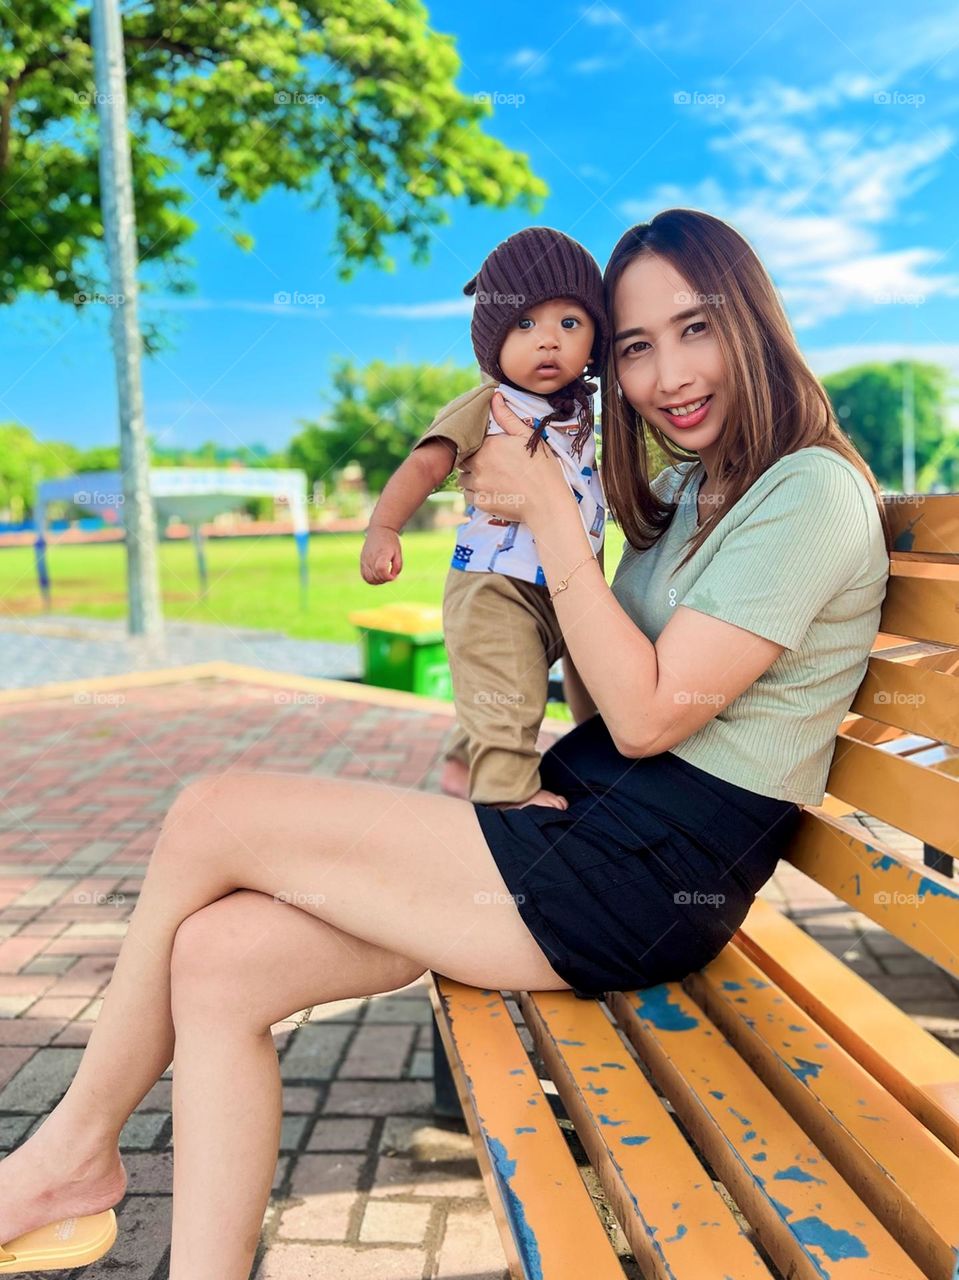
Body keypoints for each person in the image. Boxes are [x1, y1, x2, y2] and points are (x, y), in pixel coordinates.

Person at [0, 208, 891, 1278]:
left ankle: (69, 1149)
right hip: (578, 822)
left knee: (212, 810)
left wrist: (551, 516)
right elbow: (607, 700)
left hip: (649, 877)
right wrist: (495, 734)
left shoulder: (810, 489)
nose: (666, 376)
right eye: (637, 348)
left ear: (752, 320)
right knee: (217, 957)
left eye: (694, 329)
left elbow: (652, 712)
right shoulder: (704, 488)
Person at [360, 226, 609, 811]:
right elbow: (424, 465)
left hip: (563, 588)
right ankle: (505, 798)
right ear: (491, 340)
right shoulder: (490, 405)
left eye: (569, 324)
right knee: (509, 692)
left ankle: (465, 760)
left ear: (597, 337)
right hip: (496, 587)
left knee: (546, 683)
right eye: (524, 325)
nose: (547, 342)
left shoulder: (586, 411)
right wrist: (384, 527)